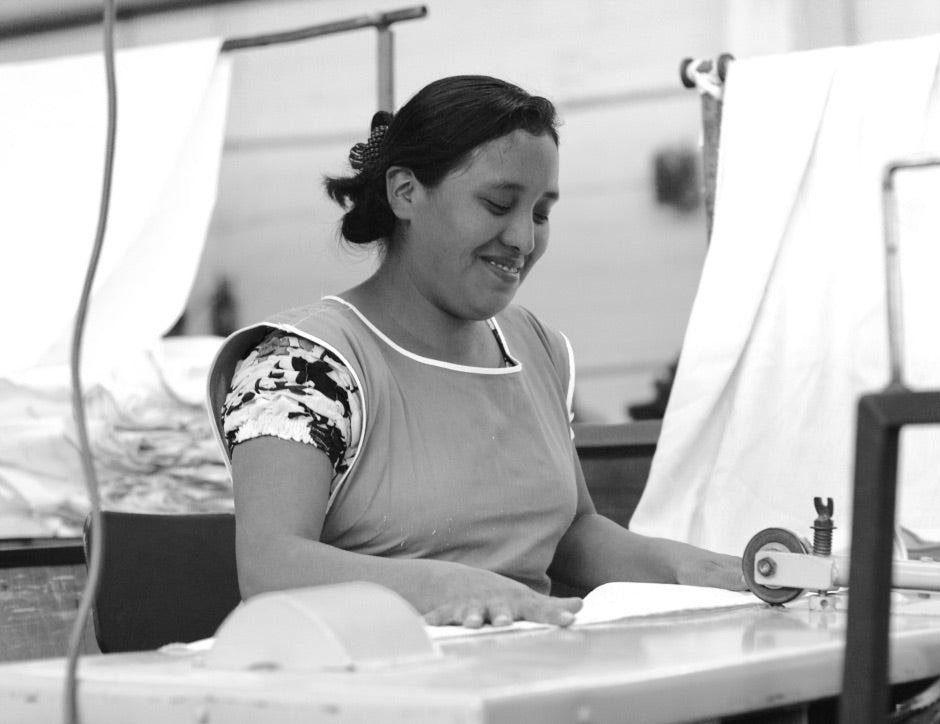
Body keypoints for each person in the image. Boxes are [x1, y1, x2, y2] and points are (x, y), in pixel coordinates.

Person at [207, 75, 745, 629]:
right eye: (497, 204)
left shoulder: (534, 348)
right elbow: (271, 565)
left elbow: (570, 534)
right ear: (405, 193)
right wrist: (451, 586)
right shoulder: (305, 366)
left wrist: (699, 569)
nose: (523, 239)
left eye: (540, 213)